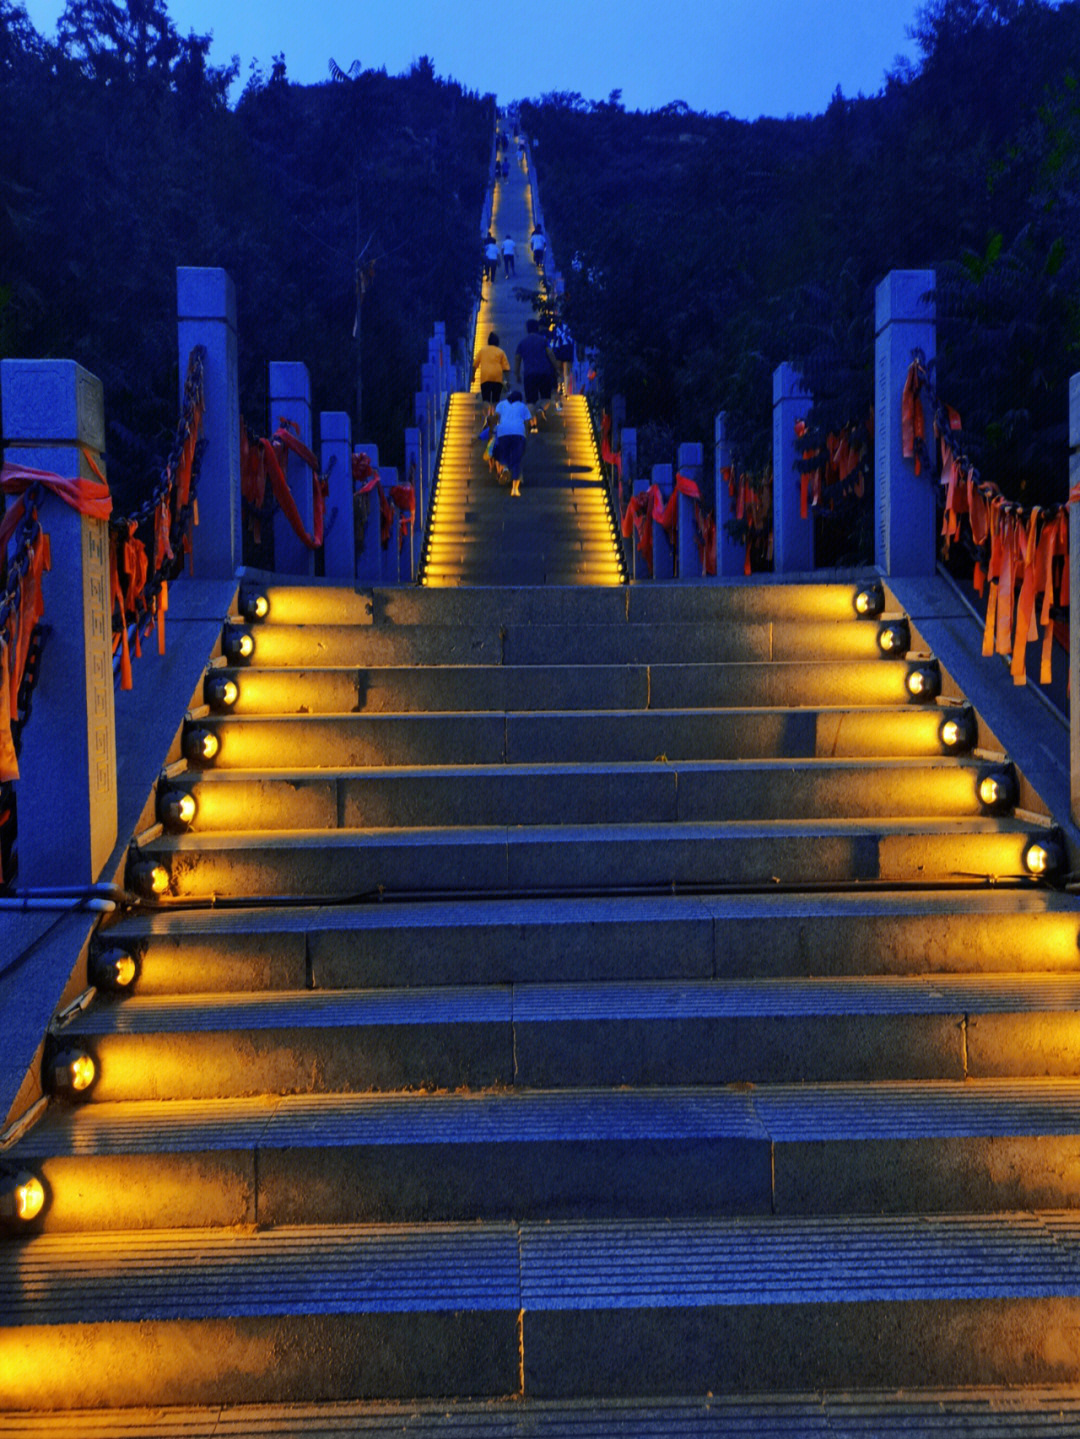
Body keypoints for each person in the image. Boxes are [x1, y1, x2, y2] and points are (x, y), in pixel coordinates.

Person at [514, 318, 558, 430]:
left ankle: (533, 425)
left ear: (527, 329)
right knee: (546, 398)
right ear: (537, 328)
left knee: (530, 402)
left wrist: (517, 374)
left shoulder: (522, 343)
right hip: (544, 373)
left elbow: (517, 359)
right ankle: (541, 410)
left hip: (529, 374)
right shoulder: (543, 341)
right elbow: (550, 354)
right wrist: (557, 368)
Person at [491, 389, 531, 496]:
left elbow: (496, 418)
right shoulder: (522, 406)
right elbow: (527, 422)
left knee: (504, 455)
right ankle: (514, 489)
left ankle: (505, 468)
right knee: (517, 460)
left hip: (503, 432)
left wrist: (492, 430)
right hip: (518, 433)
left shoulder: (501, 404)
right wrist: (526, 434)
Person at [472, 331, 510, 435]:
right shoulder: (500, 352)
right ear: (497, 342)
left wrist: (473, 376)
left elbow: (474, 364)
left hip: (485, 378)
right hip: (497, 378)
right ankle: (495, 422)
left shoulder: (482, 351)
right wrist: (508, 381)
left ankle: (488, 417)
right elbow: (506, 368)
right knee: (495, 401)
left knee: (486, 400)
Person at [550, 316, 575, 397]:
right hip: (568, 349)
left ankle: (559, 388)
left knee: (559, 371)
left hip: (558, 350)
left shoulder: (556, 327)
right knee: (566, 372)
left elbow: (553, 339)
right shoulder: (572, 327)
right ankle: (566, 392)